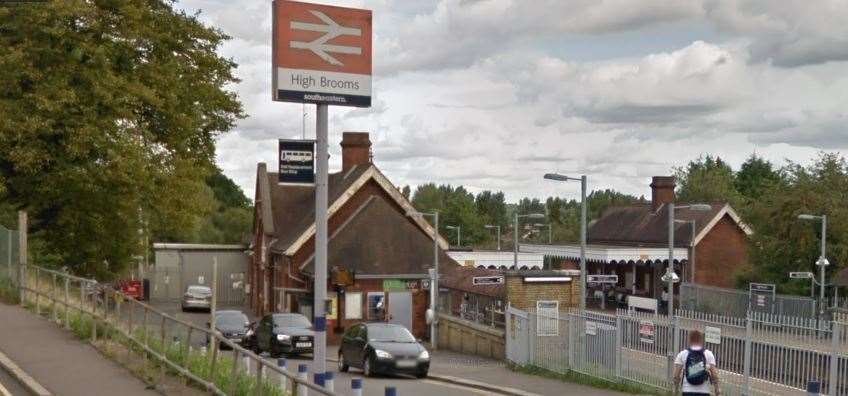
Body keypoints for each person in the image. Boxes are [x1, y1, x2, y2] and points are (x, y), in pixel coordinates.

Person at [673, 330, 721, 396]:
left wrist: (676, 390)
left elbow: (676, 376)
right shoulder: (708, 354)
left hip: (687, 391)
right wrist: (717, 390)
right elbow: (715, 375)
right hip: (704, 392)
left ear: (689, 339)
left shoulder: (682, 354)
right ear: (701, 340)